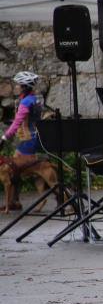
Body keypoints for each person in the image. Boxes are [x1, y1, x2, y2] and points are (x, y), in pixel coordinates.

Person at [1, 71, 44, 209]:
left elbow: (18, 122)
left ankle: (14, 202)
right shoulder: (35, 99)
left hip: (27, 140)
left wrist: (4, 137)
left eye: (18, 85)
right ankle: (14, 201)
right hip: (34, 136)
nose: (16, 87)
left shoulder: (25, 102)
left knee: (14, 169)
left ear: (25, 87)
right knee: (19, 171)